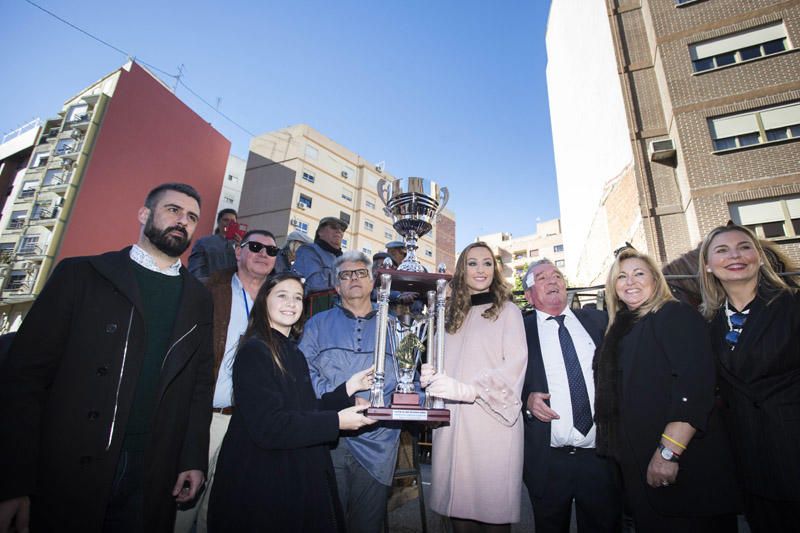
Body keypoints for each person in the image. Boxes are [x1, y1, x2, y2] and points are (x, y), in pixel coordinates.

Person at [0, 183, 214, 532]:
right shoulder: (81, 275)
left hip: (151, 470)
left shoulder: (198, 298)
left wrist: (192, 458)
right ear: (144, 215)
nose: (183, 221)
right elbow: (24, 380)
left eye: (192, 217)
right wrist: (12, 479)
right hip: (67, 464)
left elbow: (199, 387)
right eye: (173, 210)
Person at [207, 272, 376, 532]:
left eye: (298, 297)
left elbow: (306, 411)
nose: (291, 303)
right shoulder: (255, 351)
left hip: (288, 472)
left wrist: (349, 388)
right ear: (264, 301)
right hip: (260, 482)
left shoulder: (292, 351)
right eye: (282, 296)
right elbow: (270, 426)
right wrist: (338, 421)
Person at [594, 247, 739, 532]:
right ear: (613, 287)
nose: (630, 282)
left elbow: (695, 387)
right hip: (640, 467)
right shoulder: (621, 330)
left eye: (639, 273)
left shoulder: (674, 315)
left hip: (683, 468)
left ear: (656, 280)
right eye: (621, 276)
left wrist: (669, 452)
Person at [174, 229, 278, 533]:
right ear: (237, 251)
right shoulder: (208, 291)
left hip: (248, 424)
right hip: (206, 419)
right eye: (255, 246)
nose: (263, 254)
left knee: (221, 512)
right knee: (180, 511)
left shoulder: (279, 300)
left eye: (271, 251)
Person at [698, 223, 800, 532]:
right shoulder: (708, 323)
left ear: (758, 255)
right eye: (722, 250)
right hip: (748, 464)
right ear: (708, 266)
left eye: (744, 247)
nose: (734, 256)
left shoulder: (792, 305)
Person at [421, 242, 528, 533]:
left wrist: (468, 391)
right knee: (459, 512)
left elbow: (515, 367)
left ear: (495, 269)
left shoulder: (508, 311)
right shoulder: (448, 316)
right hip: (452, 422)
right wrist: (428, 375)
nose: (480, 270)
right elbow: (436, 360)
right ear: (461, 270)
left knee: (493, 514)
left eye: (487, 263)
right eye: (472, 263)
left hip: (492, 423)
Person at [300, 251, 402, 533]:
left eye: (360, 273)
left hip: (380, 441)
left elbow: (410, 379)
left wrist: (392, 405)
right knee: (326, 521)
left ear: (373, 282)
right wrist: (341, 401)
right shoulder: (316, 325)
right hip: (328, 438)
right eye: (345, 275)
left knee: (367, 525)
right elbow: (303, 375)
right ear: (337, 286)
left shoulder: (396, 327)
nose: (353, 279)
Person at [520, 259, 621, 533]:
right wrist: (526, 401)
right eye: (541, 278)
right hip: (548, 461)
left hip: (599, 457)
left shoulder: (600, 321)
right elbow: (502, 382)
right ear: (529, 295)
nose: (552, 280)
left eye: (557, 275)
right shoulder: (518, 330)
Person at [293, 216, 347, 293]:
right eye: (333, 227)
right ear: (320, 232)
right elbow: (314, 284)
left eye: (342, 229)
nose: (338, 230)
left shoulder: (345, 259)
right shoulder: (309, 250)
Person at [188, 208, 240, 280]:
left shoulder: (241, 245)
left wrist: (243, 248)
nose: (229, 223)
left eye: (232, 221)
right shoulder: (204, 242)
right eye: (226, 220)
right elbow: (195, 270)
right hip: (209, 288)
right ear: (218, 222)